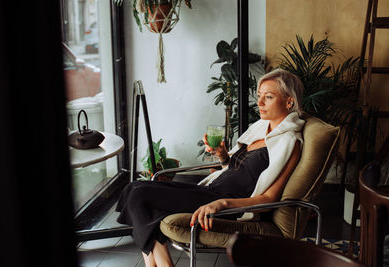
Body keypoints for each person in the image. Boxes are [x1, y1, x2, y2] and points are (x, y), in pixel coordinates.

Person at [116, 68, 305, 267]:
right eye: (259, 96)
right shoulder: (260, 128)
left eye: (268, 97)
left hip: (225, 203)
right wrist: (223, 156)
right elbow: (237, 169)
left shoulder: (289, 143)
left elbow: (269, 198)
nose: (259, 103)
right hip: (209, 191)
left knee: (138, 195)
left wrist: (222, 204)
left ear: (289, 101)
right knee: (133, 188)